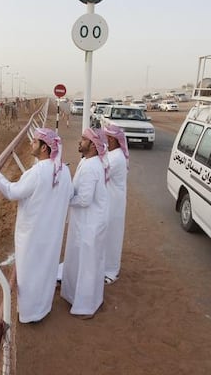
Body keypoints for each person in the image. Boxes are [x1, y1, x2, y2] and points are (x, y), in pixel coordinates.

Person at [0, 128, 72, 323]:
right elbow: (69, 195)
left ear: (44, 148)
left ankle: (29, 314)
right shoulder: (64, 170)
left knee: (29, 273)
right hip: (52, 234)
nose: (31, 144)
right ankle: (42, 309)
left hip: (32, 236)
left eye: (34, 142)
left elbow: (12, 192)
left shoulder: (37, 172)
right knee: (46, 270)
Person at [60, 127, 110, 320]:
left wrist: (63, 200)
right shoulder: (87, 162)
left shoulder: (91, 167)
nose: (79, 142)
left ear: (93, 145)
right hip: (86, 222)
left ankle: (86, 306)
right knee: (82, 261)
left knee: (88, 265)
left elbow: (84, 200)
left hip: (91, 223)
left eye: (83, 139)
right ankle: (76, 296)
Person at [102, 124, 129, 284]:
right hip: (111, 200)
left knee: (112, 236)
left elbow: (101, 171)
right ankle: (105, 266)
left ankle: (111, 271)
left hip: (114, 202)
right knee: (107, 234)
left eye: (107, 137)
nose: (105, 140)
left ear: (113, 139)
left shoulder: (116, 157)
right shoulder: (112, 154)